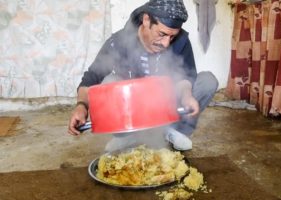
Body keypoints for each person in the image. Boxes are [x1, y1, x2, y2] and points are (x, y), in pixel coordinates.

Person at [68, 0, 218, 151]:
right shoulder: (119, 42)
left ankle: (173, 132)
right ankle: (128, 136)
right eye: (162, 34)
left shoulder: (181, 41)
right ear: (146, 20)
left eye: (172, 37)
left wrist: (186, 95)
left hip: (167, 106)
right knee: (110, 81)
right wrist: (82, 107)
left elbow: (185, 76)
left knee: (207, 81)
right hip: (133, 111)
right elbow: (92, 76)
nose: (166, 43)